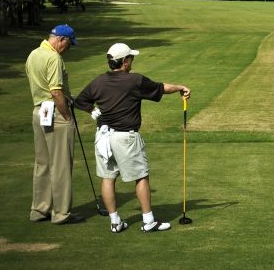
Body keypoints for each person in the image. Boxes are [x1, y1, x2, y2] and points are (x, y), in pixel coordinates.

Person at [74, 42, 191, 233]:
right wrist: (181, 87)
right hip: (125, 138)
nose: (132, 61)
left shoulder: (98, 81)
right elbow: (161, 88)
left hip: (103, 137)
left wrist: (93, 112)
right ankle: (149, 221)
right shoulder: (134, 80)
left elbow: (80, 101)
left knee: (108, 178)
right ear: (125, 62)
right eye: (131, 58)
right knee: (141, 177)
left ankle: (115, 222)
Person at [26, 24, 84, 224]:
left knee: (42, 163)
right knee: (60, 164)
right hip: (55, 113)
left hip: (38, 111)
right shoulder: (54, 58)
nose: (68, 49)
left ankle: (39, 210)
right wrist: (67, 116)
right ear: (61, 40)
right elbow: (56, 91)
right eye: (69, 45)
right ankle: (60, 213)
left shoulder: (33, 54)